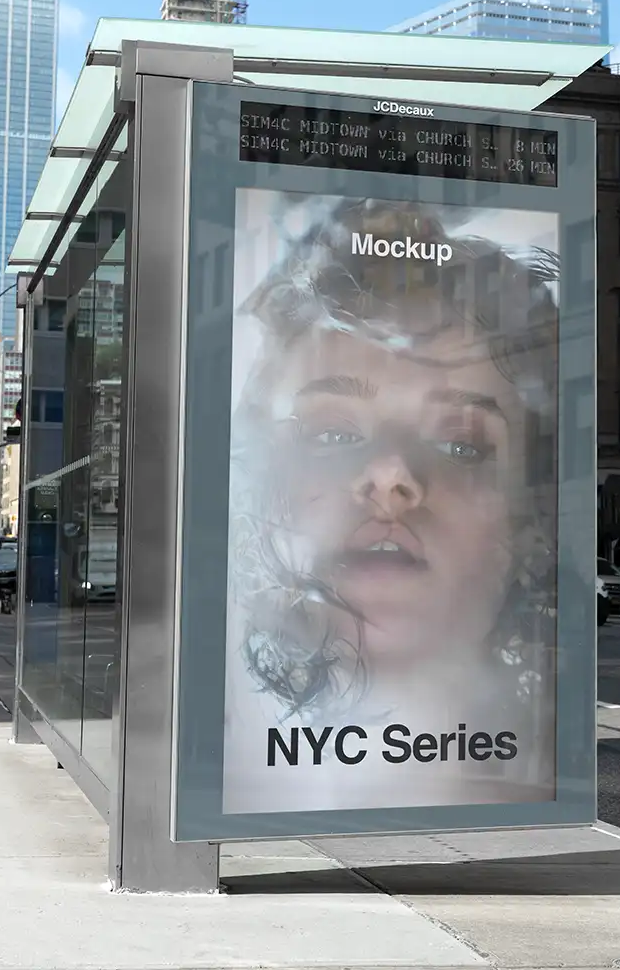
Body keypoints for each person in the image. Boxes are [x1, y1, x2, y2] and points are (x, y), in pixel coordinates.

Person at [223, 197, 559, 814]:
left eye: (462, 445)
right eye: (333, 435)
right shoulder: (208, 759)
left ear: (526, 517)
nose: (391, 477)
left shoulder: (543, 778)